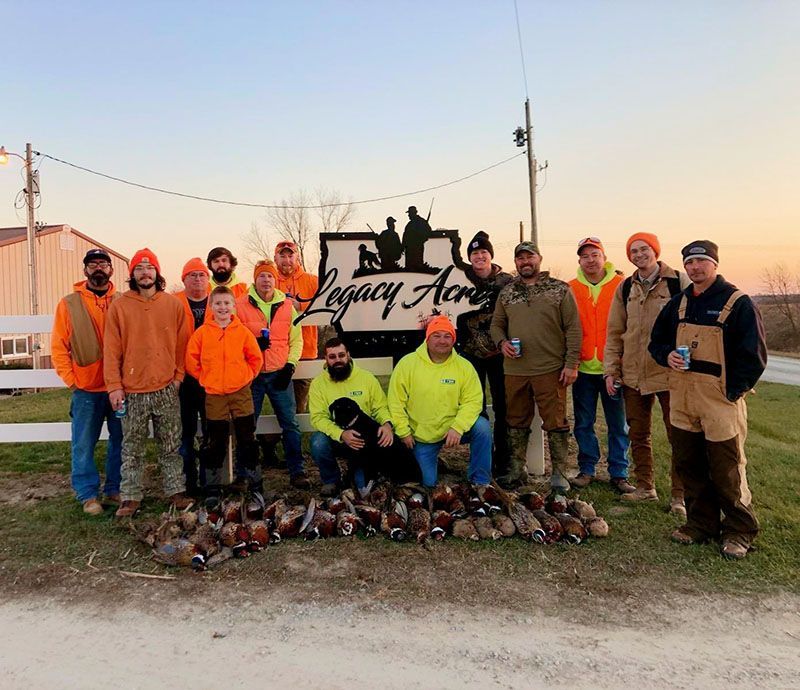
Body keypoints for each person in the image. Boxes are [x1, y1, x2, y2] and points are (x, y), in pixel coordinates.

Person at [649, 240, 766, 560]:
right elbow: (656, 342)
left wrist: (733, 391)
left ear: (714, 263)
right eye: (689, 263)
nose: (695, 267)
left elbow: (754, 356)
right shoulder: (679, 303)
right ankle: (700, 524)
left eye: (701, 261)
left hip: (719, 400)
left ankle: (739, 530)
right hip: (683, 396)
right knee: (689, 464)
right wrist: (667, 355)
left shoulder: (737, 302)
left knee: (727, 468)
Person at [604, 232, 690, 514]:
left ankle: (680, 495)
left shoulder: (678, 281)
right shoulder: (626, 286)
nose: (639, 255)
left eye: (644, 249)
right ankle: (645, 487)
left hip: (668, 372)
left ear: (655, 250)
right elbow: (615, 332)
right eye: (634, 251)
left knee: (677, 434)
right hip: (633, 374)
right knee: (638, 434)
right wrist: (611, 370)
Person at [104, 249, 193, 517]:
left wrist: (178, 377)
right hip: (132, 391)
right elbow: (111, 350)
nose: (145, 273)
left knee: (170, 445)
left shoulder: (172, 304)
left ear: (157, 272)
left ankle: (175, 490)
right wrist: (114, 386)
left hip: (166, 387)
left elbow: (182, 345)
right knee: (132, 447)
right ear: (132, 274)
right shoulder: (120, 306)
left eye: (150, 267)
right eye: (140, 268)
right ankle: (130, 496)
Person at [490, 241, 582, 491]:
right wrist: (502, 343)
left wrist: (571, 363)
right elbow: (496, 324)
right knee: (515, 420)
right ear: (516, 262)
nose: (525, 262)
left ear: (539, 259)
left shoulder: (559, 289)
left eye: (529, 257)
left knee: (556, 422)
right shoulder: (507, 292)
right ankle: (517, 471)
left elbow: (573, 327)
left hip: (550, 368)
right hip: (515, 370)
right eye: (520, 258)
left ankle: (560, 473)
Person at [51, 248, 122, 515]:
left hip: (118, 387)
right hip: (86, 389)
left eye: (103, 263)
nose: (98, 268)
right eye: (93, 265)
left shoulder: (123, 301)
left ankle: (115, 489)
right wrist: (72, 381)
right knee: (83, 442)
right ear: (85, 271)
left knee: (121, 440)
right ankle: (87, 494)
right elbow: (59, 346)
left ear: (111, 270)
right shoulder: (69, 304)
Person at [387, 315, 491, 487]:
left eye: (447, 336)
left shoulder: (464, 366)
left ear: (453, 339)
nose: (442, 341)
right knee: (427, 484)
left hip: (453, 428)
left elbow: (473, 401)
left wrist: (457, 427)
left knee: (482, 428)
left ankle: (480, 481)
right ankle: (434, 465)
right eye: (436, 335)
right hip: (422, 435)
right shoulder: (407, 364)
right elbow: (395, 402)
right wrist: (403, 431)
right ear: (427, 338)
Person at [567, 237, 634, 494]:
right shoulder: (571, 288)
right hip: (583, 368)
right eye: (585, 256)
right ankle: (587, 468)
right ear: (579, 261)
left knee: (618, 424)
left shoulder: (622, 285)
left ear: (604, 257)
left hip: (613, 368)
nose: (590, 260)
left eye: (595, 255)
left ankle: (619, 472)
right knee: (583, 422)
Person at [235, 259, 309, 489]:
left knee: (290, 424)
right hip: (253, 375)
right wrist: (252, 346)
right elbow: (233, 339)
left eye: (269, 276)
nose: (265, 280)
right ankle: (245, 473)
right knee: (247, 425)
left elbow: (297, 341)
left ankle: (297, 471)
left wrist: (290, 367)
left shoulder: (288, 306)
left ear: (275, 279)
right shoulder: (240, 305)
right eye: (261, 276)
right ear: (254, 279)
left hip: (279, 374)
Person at [185, 286, 262, 501]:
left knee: (247, 437)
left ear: (233, 306)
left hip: (240, 392)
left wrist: (246, 376)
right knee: (215, 439)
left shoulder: (243, 332)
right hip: (214, 394)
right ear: (211, 306)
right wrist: (205, 378)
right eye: (218, 303)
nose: (222, 307)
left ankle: (254, 483)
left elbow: (255, 358)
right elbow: (191, 360)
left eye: (227, 303)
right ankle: (213, 487)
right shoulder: (202, 333)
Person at [456, 231, 514, 477]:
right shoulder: (459, 281)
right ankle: (482, 458)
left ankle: (504, 460)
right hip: (470, 354)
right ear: (469, 258)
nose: (479, 257)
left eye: (483, 252)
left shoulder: (507, 281)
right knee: (475, 408)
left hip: (500, 353)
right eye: (474, 253)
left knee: (503, 407)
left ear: (490, 255)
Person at [309, 338, 396, 496]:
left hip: (364, 439)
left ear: (348, 355)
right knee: (317, 442)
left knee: (362, 490)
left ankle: (368, 474)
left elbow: (380, 407)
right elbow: (318, 418)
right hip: (337, 437)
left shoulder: (366, 378)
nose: (338, 360)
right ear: (326, 359)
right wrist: (341, 434)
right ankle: (332, 480)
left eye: (341, 355)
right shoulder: (318, 384)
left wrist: (387, 424)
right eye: (332, 356)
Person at [173, 257, 212, 495]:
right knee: (184, 432)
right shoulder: (173, 303)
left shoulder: (217, 302)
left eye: (201, 275)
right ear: (183, 279)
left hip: (210, 378)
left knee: (212, 431)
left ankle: (211, 481)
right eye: (192, 275)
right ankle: (188, 481)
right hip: (184, 378)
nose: (197, 279)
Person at [273, 240, 319, 415]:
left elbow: (327, 305)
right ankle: (270, 440)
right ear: (275, 258)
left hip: (305, 352)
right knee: (280, 403)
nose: (287, 260)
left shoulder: (312, 281)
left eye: (290, 255)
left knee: (299, 406)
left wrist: (300, 307)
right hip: (277, 353)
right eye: (282, 256)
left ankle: (294, 440)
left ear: (297, 257)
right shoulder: (269, 280)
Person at [402, 205, 433, 271]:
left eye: (409, 213)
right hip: (409, 248)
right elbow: (405, 236)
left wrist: (420, 237)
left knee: (417, 266)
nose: (409, 215)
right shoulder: (409, 224)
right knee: (409, 267)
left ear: (414, 213)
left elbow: (428, 232)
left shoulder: (421, 222)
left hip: (417, 247)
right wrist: (403, 246)